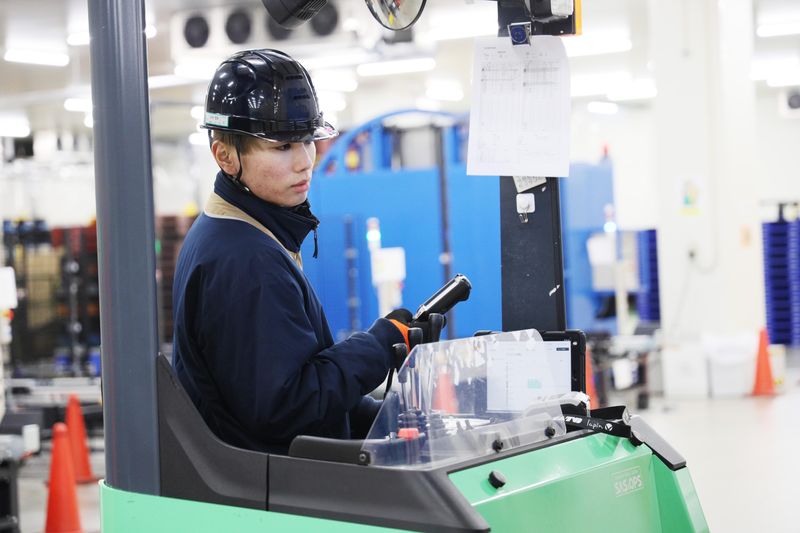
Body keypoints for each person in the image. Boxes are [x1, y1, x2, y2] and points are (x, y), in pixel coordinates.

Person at [171, 49, 412, 455]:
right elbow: (287, 408)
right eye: (282, 146)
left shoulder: (236, 232)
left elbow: (290, 385)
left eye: (307, 141)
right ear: (225, 156)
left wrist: (385, 416)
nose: (305, 162)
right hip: (266, 489)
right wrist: (378, 346)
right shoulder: (245, 259)